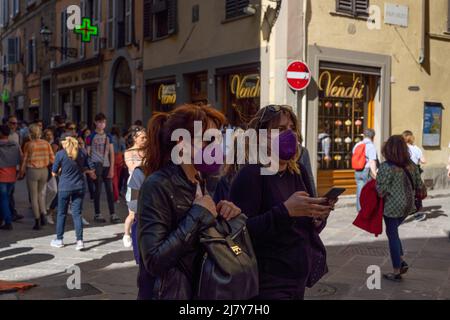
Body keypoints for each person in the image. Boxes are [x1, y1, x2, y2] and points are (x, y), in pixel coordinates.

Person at [230, 105, 336, 300]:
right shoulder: (251, 175)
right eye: (280, 129)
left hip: (298, 277)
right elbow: (240, 233)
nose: (289, 134)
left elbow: (306, 228)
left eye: (291, 128)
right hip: (267, 282)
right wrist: (286, 211)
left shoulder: (298, 172)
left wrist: (318, 217)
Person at [137, 104, 241, 300]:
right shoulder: (158, 185)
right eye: (208, 140)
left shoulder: (201, 181)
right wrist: (198, 214)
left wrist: (223, 215)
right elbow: (153, 260)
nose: (215, 148)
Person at [376, 135, 424, 282]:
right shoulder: (411, 165)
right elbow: (419, 185)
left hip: (392, 207)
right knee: (393, 232)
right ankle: (401, 261)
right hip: (408, 206)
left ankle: (397, 269)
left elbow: (381, 191)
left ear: (388, 149)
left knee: (392, 234)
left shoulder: (385, 167)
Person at [50, 137, 96, 251]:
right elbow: (92, 167)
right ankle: (79, 241)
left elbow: (53, 173)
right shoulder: (82, 153)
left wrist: (61, 171)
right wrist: (83, 170)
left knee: (61, 213)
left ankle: (59, 239)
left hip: (64, 187)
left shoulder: (60, 154)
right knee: (77, 214)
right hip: (79, 186)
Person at [19, 124, 55, 230]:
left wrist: (21, 172)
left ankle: (37, 221)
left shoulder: (28, 145)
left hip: (33, 171)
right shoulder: (46, 144)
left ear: (30, 133)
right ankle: (43, 214)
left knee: (34, 196)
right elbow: (52, 159)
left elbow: (24, 161)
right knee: (40, 194)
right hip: (44, 171)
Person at [86, 113, 119, 224]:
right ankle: (97, 213)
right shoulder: (90, 137)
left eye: (104, 122)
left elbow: (112, 154)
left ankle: (113, 214)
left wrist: (112, 168)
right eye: (100, 122)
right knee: (98, 190)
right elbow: (87, 154)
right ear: (95, 122)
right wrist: (90, 170)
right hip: (96, 166)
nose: (102, 124)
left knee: (109, 191)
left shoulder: (108, 136)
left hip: (106, 165)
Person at [123, 127, 147, 247]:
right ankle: (127, 234)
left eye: (146, 137)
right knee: (133, 214)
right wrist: (145, 162)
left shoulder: (147, 151)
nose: (145, 139)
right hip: (134, 186)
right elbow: (132, 167)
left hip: (147, 184)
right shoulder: (128, 152)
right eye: (142, 137)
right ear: (135, 138)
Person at [0, 125, 22, 230]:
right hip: (12, 175)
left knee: (3, 199)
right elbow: (21, 157)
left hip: (1, 176)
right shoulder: (15, 145)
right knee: (6, 198)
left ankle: (8, 221)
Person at [402, 130, 427, 221]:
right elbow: (424, 160)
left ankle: (406, 209)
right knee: (417, 191)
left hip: (404, 171)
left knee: (404, 190)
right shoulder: (416, 148)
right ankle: (418, 211)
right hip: (415, 171)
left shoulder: (402, 148)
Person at [353, 128, 378, 212]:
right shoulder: (371, 146)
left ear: (364, 135)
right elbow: (372, 161)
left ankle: (360, 209)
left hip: (357, 170)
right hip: (366, 171)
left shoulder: (357, 145)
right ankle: (367, 210)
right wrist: (375, 174)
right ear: (373, 136)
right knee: (368, 191)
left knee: (360, 189)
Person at [6, 116, 24, 222]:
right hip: (5, 166)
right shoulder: (5, 135)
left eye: (16, 123)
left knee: (10, 192)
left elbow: (19, 150)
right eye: (12, 123)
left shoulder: (16, 135)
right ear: (8, 123)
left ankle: (11, 213)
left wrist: (21, 167)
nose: (15, 125)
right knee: (7, 192)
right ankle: (10, 213)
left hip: (13, 167)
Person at [41, 129, 59, 225]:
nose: (49, 136)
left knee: (54, 190)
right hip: (42, 170)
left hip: (51, 171)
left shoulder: (54, 145)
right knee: (43, 193)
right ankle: (43, 212)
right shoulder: (41, 144)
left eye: (50, 134)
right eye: (47, 135)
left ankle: (46, 207)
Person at [111, 126, 126, 203]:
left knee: (114, 179)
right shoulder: (122, 139)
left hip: (113, 157)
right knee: (119, 178)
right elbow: (124, 150)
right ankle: (116, 195)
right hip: (120, 158)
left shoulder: (111, 138)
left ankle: (116, 197)